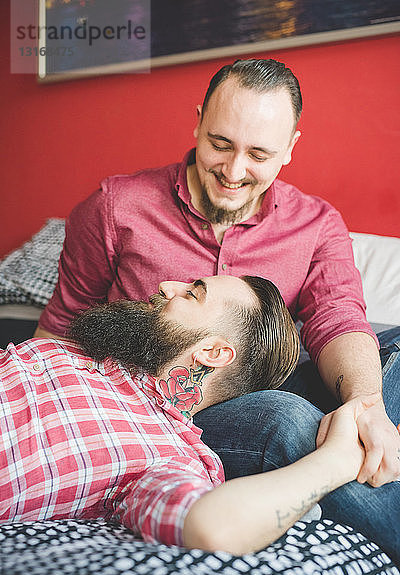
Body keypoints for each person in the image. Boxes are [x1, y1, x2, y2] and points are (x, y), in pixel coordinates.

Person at [34, 61, 399, 504]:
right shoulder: (115, 207)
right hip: (168, 409)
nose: (233, 171)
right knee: (290, 421)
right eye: (220, 144)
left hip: (270, 379)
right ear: (198, 121)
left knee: (391, 352)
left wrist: (365, 405)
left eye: (259, 155)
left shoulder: (318, 224)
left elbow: (337, 318)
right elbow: (62, 326)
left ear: (290, 148)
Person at [1, 275, 398, 561]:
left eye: (192, 294)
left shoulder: (166, 452)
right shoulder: (83, 355)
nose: (165, 287)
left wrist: (337, 460)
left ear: (213, 352)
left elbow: (214, 526)